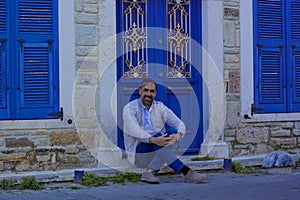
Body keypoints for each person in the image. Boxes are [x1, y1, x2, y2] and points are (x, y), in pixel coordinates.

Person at [123, 78, 207, 184]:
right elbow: (134, 130)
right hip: (139, 155)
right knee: (157, 134)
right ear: (140, 91)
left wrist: (178, 136)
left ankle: (149, 172)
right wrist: (153, 139)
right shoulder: (130, 108)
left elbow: (179, 124)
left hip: (159, 152)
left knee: (172, 133)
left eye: (152, 91)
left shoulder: (160, 107)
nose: (148, 94)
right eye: (146, 90)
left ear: (155, 93)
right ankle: (185, 171)